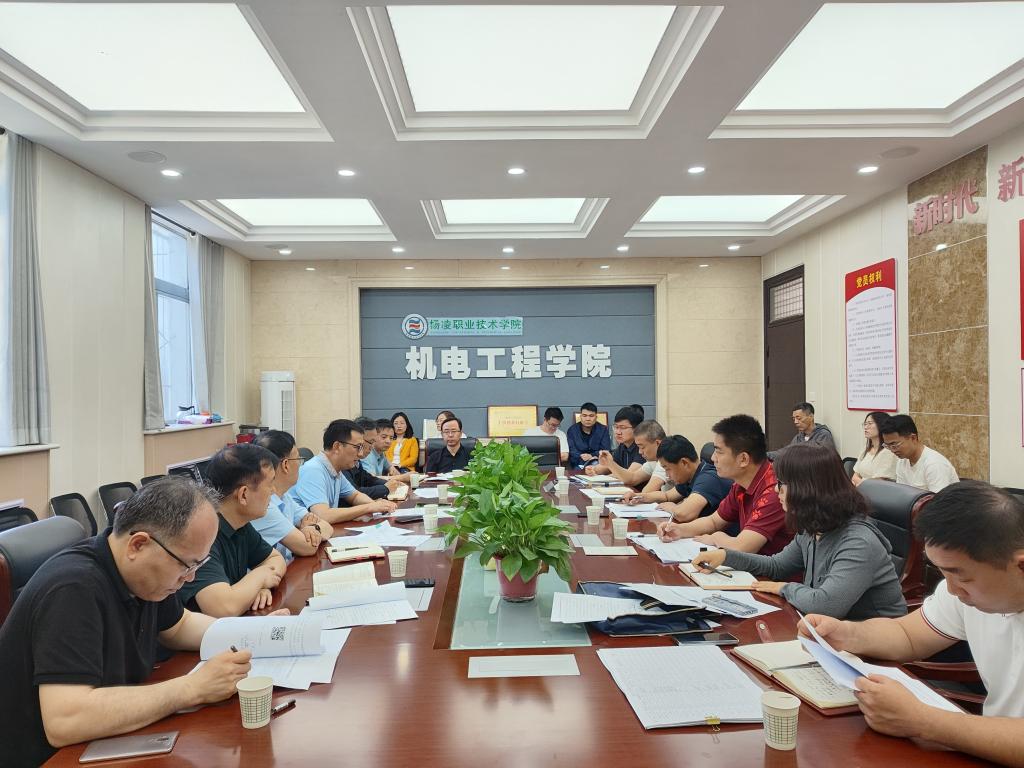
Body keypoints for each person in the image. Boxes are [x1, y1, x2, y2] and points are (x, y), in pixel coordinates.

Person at [0, 478, 258, 767]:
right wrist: (192, 688)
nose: (190, 578)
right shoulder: (73, 588)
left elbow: (179, 626)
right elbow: (65, 720)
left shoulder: (144, 577)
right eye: (187, 565)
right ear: (138, 544)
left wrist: (255, 633)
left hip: (105, 742)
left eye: (199, 565)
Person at [799, 482, 1024, 765]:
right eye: (943, 574)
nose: (951, 590)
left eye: (962, 577)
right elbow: (907, 635)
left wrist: (922, 720)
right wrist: (845, 633)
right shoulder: (970, 595)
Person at [694, 444, 906, 619]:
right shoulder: (814, 526)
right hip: (829, 632)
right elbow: (777, 566)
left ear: (807, 488)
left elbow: (825, 605)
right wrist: (726, 556)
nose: (776, 489)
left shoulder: (858, 542)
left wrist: (784, 588)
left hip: (872, 647)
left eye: (781, 483)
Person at [176, 443, 288, 617]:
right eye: (270, 484)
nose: (273, 491)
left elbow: (275, 558)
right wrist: (259, 577)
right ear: (243, 494)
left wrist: (258, 587)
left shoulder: (239, 523)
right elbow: (223, 608)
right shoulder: (201, 533)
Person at [657, 414, 792, 555]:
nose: (713, 458)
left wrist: (717, 537)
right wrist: (679, 530)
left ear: (743, 459)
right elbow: (714, 521)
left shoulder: (775, 490)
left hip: (770, 568)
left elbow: (742, 548)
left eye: (719, 452)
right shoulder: (741, 484)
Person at [288, 419, 398, 524]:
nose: (360, 454)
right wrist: (369, 507)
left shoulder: (336, 470)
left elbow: (355, 496)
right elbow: (324, 515)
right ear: (337, 446)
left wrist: (377, 505)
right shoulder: (313, 470)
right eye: (357, 447)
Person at [252, 429, 334, 562]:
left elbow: (327, 526)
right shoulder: (264, 505)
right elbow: (307, 547)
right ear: (286, 465)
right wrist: (306, 529)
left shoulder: (284, 496)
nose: (300, 466)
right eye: (299, 459)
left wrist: (312, 528)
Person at [631, 435, 733, 522]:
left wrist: (673, 507)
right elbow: (667, 496)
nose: (667, 475)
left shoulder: (709, 478)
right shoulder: (690, 476)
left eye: (668, 469)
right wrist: (638, 497)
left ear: (684, 463)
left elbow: (684, 514)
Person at [881, 414, 959, 493]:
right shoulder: (902, 461)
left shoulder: (934, 464)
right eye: (888, 446)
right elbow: (901, 494)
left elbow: (939, 500)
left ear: (913, 438)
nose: (892, 450)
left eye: (894, 445)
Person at [611, 420, 673, 492]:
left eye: (642, 447)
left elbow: (647, 492)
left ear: (657, 443)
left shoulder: (667, 459)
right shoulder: (653, 462)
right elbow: (632, 479)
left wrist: (635, 494)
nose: (640, 452)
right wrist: (610, 463)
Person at [588, 406, 643, 477]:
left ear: (637, 428)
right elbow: (609, 467)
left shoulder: (642, 447)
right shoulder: (622, 446)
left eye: (623, 428)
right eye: (616, 427)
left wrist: (601, 477)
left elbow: (629, 475)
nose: (618, 432)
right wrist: (593, 469)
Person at [852, 411, 898, 485]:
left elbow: (878, 483)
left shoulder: (889, 452)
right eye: (865, 424)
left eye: (870, 423)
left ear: (881, 425)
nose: (866, 427)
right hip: (860, 489)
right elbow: (854, 476)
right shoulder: (866, 449)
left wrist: (859, 483)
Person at [566, 401, 611, 468]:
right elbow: (572, 450)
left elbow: (606, 449)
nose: (588, 419)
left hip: (598, 462)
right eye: (584, 416)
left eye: (591, 416)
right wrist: (581, 456)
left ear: (596, 417)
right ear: (580, 416)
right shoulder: (572, 430)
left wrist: (591, 456)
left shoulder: (603, 430)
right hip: (578, 463)